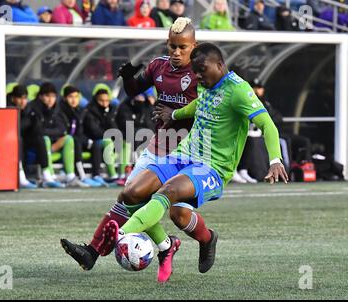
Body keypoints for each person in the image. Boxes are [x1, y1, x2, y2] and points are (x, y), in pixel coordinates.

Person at [98, 42, 288, 274]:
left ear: (219, 65)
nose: (197, 76)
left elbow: (267, 124)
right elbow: (201, 104)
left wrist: (275, 160)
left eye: (201, 70)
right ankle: (191, 241)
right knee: (133, 193)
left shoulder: (239, 90)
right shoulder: (208, 84)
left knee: (168, 192)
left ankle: (122, 234)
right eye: (195, 71)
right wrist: (174, 114)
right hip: (183, 155)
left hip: (212, 167)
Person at [61, 18, 210, 283]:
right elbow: (133, 90)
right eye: (172, 46)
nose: (176, 52)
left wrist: (175, 113)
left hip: (190, 154)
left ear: (194, 46)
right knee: (130, 195)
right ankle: (92, 252)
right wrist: (128, 77)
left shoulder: (203, 74)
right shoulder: (158, 66)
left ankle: (201, 241)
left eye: (182, 47)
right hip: (158, 147)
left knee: (179, 215)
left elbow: (213, 108)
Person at [29, 83, 88, 188]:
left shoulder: (57, 109)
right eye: (47, 96)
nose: (50, 99)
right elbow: (37, 130)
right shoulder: (34, 108)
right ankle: (48, 175)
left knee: (69, 139)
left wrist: (50, 133)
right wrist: (50, 132)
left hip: (54, 143)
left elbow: (62, 130)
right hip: (37, 144)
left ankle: (70, 175)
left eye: (53, 96)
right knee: (44, 139)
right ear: (40, 96)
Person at [8, 85, 63, 188]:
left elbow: (38, 128)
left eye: (25, 98)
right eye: (20, 98)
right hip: (11, 140)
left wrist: (33, 122)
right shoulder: (7, 107)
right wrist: (30, 121)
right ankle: (20, 177)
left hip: (26, 139)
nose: (22, 101)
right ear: (13, 98)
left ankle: (46, 175)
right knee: (18, 140)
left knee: (39, 139)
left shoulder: (30, 109)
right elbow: (15, 128)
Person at [57, 86, 104, 187]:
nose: (74, 100)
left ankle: (96, 175)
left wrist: (89, 139)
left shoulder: (80, 110)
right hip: (64, 142)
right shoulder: (60, 111)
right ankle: (81, 176)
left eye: (76, 97)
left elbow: (83, 130)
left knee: (95, 143)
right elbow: (64, 132)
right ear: (65, 98)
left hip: (77, 139)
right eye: (70, 97)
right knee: (76, 141)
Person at [84, 84, 119, 185]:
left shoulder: (110, 110)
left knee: (125, 142)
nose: (104, 104)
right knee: (104, 142)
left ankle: (123, 173)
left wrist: (108, 114)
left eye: (107, 101)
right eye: (101, 101)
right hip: (92, 140)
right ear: (96, 100)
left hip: (107, 138)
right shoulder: (89, 110)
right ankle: (109, 174)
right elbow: (94, 131)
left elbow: (114, 128)